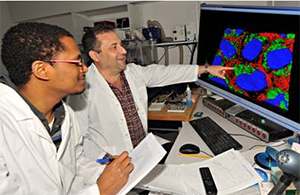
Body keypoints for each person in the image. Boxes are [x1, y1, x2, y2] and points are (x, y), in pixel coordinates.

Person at [0, 22, 133, 195]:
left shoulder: (65, 114)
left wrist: (110, 172)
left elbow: (76, 164)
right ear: (42, 70)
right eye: (76, 61)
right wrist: (101, 191)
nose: (85, 68)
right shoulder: (5, 122)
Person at [67, 25, 233, 160]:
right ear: (95, 55)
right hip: (113, 163)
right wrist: (107, 158)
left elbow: (166, 72)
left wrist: (206, 69)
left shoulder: (133, 72)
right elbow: (79, 138)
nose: (123, 51)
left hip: (143, 153)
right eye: (114, 47)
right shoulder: (81, 88)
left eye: (121, 44)